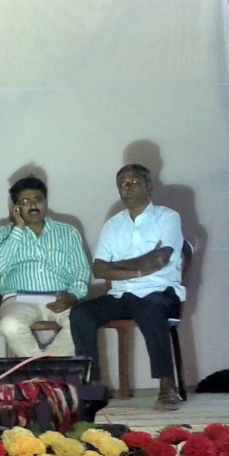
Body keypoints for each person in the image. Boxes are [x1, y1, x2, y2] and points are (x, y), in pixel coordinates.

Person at [70, 164, 186, 411]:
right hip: (122, 294)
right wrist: (139, 269)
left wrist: (119, 266)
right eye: (122, 184)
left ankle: (167, 386)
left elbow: (160, 259)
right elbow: (99, 269)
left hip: (160, 291)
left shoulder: (168, 217)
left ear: (149, 186)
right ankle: (93, 385)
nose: (127, 188)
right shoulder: (113, 225)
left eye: (133, 182)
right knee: (81, 313)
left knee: (150, 308)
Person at [0, 175, 90, 359]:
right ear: (16, 207)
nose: (33, 205)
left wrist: (73, 296)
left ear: (46, 201)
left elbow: (81, 270)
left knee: (84, 323)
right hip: (18, 299)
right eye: (25, 201)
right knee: (10, 325)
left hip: (61, 298)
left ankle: (38, 370)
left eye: (38, 199)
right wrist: (18, 228)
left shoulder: (68, 232)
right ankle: (47, 370)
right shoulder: (5, 232)